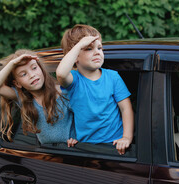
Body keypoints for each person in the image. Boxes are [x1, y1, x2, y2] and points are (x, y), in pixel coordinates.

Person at [56, 24, 134, 155]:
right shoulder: (74, 80)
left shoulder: (113, 77)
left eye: (99, 48)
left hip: (114, 145)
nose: (97, 52)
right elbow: (61, 74)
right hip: (86, 147)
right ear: (75, 56)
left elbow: (126, 108)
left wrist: (126, 137)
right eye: (88, 48)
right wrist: (78, 45)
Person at [0, 49, 77, 147]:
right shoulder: (24, 99)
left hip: (72, 150)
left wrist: (78, 139)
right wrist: (12, 63)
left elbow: (87, 121)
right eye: (24, 74)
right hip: (47, 155)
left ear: (41, 69)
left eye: (34, 68)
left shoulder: (63, 93)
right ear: (17, 83)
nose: (32, 75)